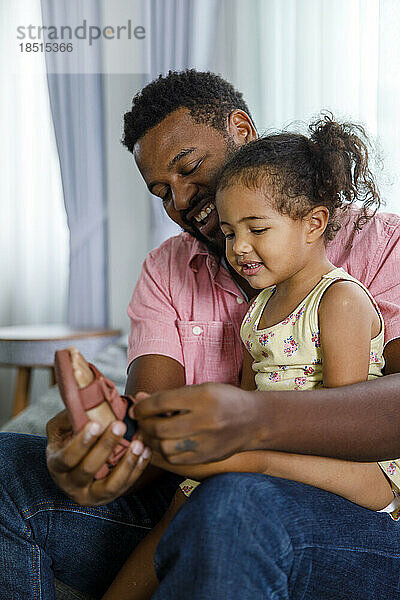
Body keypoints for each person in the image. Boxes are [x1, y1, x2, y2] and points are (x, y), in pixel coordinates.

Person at [1, 70, 400, 599]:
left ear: (241, 130)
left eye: (190, 168)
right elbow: (159, 422)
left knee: (231, 500)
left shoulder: (376, 248)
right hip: (206, 488)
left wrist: (250, 423)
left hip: (341, 517)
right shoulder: (170, 272)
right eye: (162, 191)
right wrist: (103, 454)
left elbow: (377, 417)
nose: (183, 199)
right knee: (9, 464)